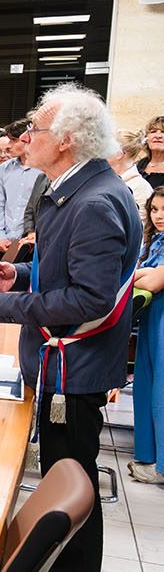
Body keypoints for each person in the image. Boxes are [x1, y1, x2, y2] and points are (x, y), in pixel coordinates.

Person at [0, 84, 143, 572]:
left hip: (77, 369)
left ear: (66, 139)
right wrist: (21, 276)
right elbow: (61, 271)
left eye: (36, 130)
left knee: (71, 487)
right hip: (64, 363)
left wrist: (4, 308)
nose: (27, 138)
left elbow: (89, 299)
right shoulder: (73, 189)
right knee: (60, 482)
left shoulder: (93, 200)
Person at [129, 187, 164, 485]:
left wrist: (139, 275)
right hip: (152, 318)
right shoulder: (153, 240)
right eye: (154, 210)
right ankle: (147, 455)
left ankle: (162, 466)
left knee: (162, 391)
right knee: (146, 384)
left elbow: (150, 280)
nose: (159, 215)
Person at [0, 117, 45, 257]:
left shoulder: (43, 169)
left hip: (34, 241)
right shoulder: (3, 169)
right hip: (7, 241)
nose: (8, 145)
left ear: (28, 139)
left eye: (13, 140)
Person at [138, 115, 164, 189]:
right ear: (146, 138)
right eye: (153, 131)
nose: (158, 136)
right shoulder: (137, 166)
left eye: (163, 132)